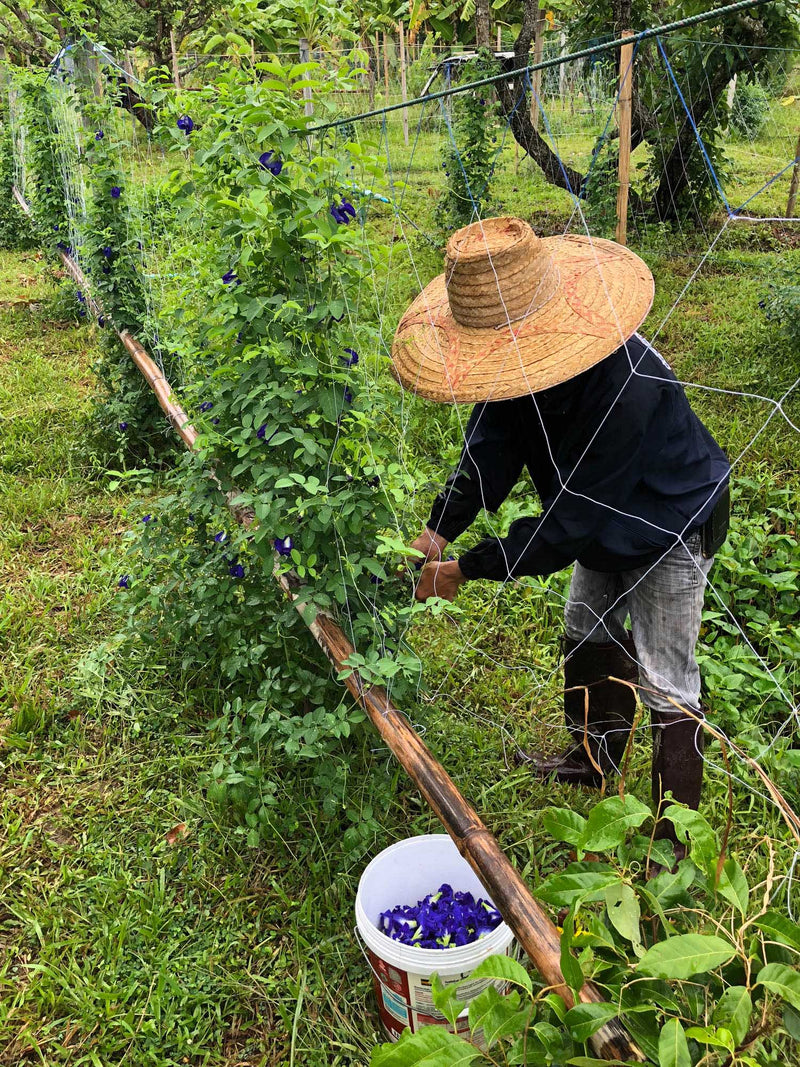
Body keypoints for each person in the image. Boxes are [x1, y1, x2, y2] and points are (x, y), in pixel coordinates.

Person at [393, 216, 729, 866]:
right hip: (601, 517)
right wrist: (438, 529)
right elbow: (488, 448)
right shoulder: (515, 367)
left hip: (671, 521)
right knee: (586, 627)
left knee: (668, 681)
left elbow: (570, 523)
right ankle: (593, 759)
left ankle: (670, 851)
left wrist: (465, 569)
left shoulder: (625, 381)